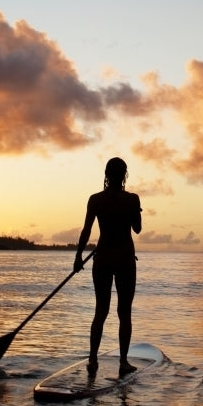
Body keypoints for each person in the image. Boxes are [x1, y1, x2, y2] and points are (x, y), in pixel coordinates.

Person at [74, 157, 142, 376]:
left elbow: (86, 231)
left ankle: (93, 360)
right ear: (124, 175)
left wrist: (78, 257)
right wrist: (136, 211)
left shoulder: (95, 199)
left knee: (100, 311)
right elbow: (138, 229)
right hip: (124, 260)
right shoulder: (131, 199)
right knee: (124, 313)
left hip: (102, 258)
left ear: (106, 174)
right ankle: (123, 362)